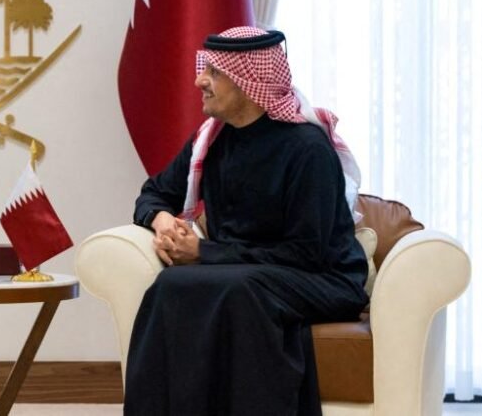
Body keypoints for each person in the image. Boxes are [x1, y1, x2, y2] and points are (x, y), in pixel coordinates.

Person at [125, 27, 369, 415]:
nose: (199, 81)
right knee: (169, 284)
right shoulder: (212, 140)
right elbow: (153, 193)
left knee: (238, 289)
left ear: (247, 82)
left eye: (214, 72)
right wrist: (163, 220)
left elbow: (306, 254)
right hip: (242, 274)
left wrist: (204, 253)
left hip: (323, 279)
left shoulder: (307, 150)